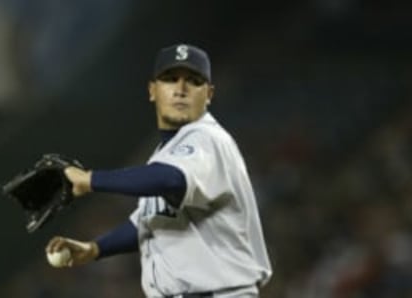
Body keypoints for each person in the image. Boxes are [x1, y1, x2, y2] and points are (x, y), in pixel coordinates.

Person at [46, 43, 272, 297]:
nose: (181, 89)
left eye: (194, 81)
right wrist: (95, 249)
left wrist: (89, 179)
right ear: (152, 90)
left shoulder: (208, 140)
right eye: (170, 79)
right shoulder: (166, 155)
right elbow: (147, 222)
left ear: (208, 94)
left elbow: (170, 179)